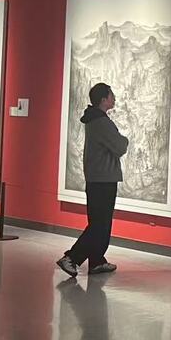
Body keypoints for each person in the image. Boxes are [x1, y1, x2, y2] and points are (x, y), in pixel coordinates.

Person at [56, 83, 128, 277]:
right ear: (103, 99)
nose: (114, 98)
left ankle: (97, 261)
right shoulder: (102, 122)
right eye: (111, 95)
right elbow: (120, 146)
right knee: (100, 225)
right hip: (103, 180)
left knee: (99, 222)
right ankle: (71, 257)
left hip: (97, 178)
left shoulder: (94, 120)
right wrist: (125, 140)